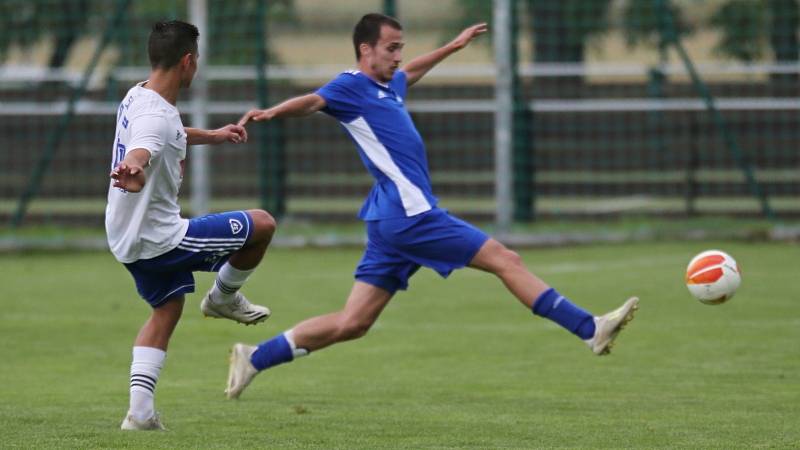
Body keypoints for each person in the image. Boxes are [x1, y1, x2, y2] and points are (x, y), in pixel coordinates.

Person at [227, 13, 639, 399]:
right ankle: (589, 328)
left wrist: (453, 47)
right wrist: (272, 112)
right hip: (410, 216)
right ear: (365, 50)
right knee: (504, 259)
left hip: (390, 218)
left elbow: (413, 72)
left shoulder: (388, 87)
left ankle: (254, 358)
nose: (398, 56)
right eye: (390, 48)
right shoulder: (350, 86)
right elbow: (313, 102)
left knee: (354, 322)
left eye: (400, 47)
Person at [106, 20, 274, 430]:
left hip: (125, 236)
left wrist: (213, 135)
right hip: (162, 239)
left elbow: (167, 134)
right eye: (196, 60)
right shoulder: (155, 118)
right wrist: (135, 164)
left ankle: (140, 415)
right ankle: (223, 297)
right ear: (187, 62)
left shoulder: (138, 94)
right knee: (262, 224)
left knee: (166, 308)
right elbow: (148, 144)